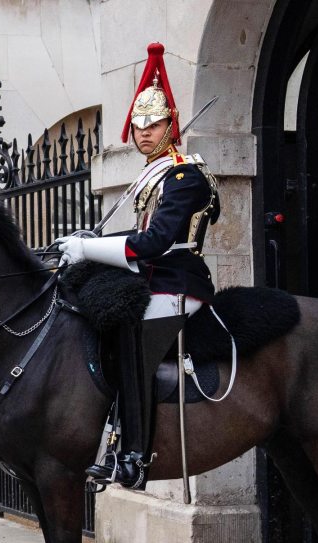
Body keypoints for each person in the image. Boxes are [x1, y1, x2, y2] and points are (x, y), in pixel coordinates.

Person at [58, 42, 220, 488]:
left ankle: (133, 455)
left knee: (131, 336)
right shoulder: (153, 176)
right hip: (153, 280)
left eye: (154, 124)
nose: (144, 132)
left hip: (179, 284)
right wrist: (88, 242)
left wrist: (90, 251)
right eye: (138, 125)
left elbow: (153, 243)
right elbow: (136, 241)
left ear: (172, 126)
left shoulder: (184, 176)